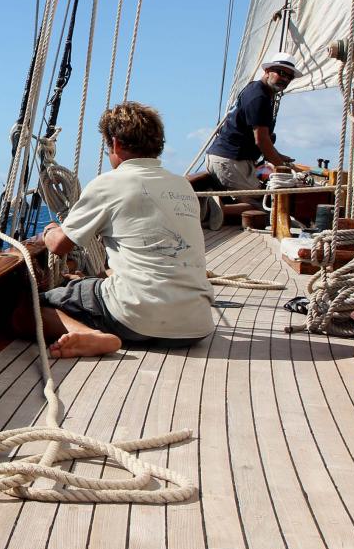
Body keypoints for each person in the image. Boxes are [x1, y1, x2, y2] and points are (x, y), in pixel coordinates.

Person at [29, 101, 215, 358]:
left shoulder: (109, 183)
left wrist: (49, 230)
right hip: (197, 326)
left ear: (115, 144)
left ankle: (93, 336)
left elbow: (60, 245)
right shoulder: (183, 187)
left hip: (135, 319)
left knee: (27, 308)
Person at [206, 51, 299, 209]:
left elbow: (261, 138)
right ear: (267, 71)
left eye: (290, 77)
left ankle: (219, 207)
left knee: (265, 200)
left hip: (234, 160)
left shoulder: (259, 91)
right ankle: (213, 210)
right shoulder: (259, 97)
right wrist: (282, 169)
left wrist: (278, 156)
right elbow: (261, 140)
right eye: (281, 73)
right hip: (229, 161)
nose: (285, 79)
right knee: (264, 208)